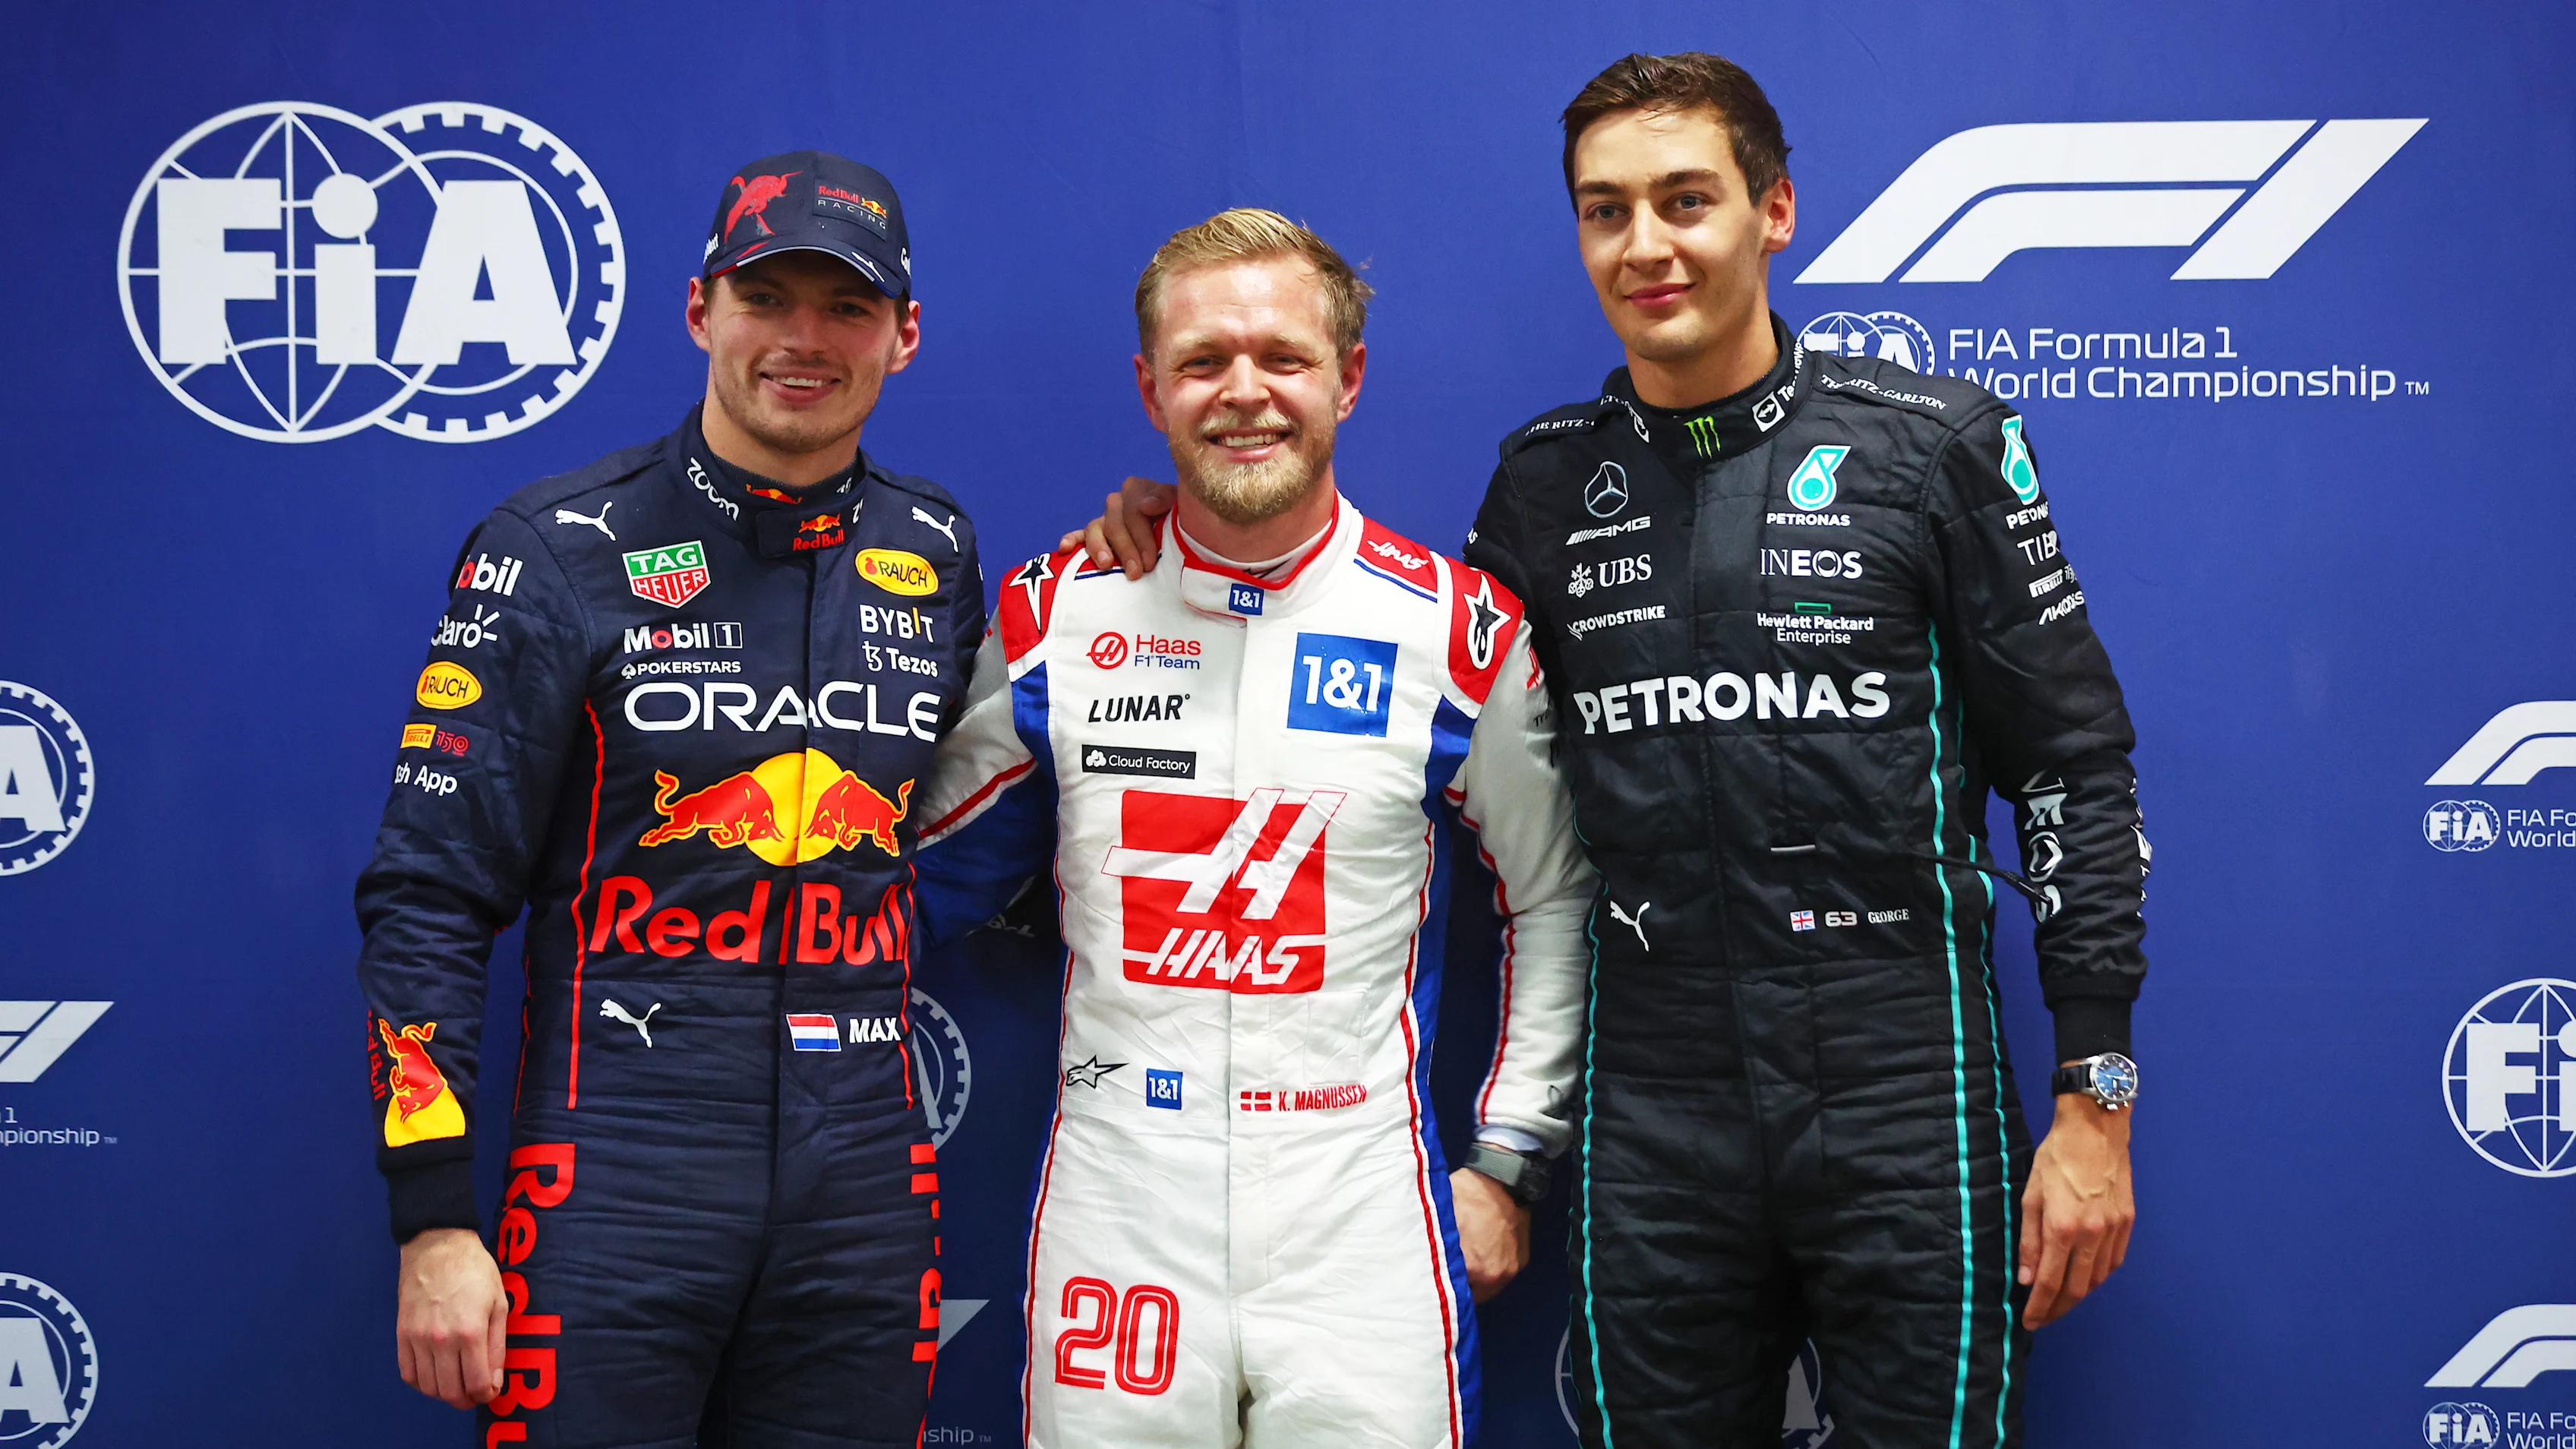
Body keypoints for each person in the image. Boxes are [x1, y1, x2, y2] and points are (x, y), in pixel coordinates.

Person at [1072, 53, 2149, 1449]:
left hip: (1902, 1088)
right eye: (1605, 210)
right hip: (1656, 1108)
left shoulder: (1934, 446)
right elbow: (1402, 703)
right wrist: (1190, 535)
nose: (1645, 245)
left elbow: (2076, 765)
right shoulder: (1541, 483)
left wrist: (2098, 1102)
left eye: (1684, 200)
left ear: (1774, 212)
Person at [911, 208, 1595, 1448]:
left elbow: (1553, 895)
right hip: (1123, 1192)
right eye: (1203, 361)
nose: (1245, 394)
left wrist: (1506, 1159)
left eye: (1282, 357)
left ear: (1349, 375)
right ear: (1150, 386)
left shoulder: (1455, 631)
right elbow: (906, 884)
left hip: (1364, 1204)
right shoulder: (1052, 611)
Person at [355, 150, 983, 1447]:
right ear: (701, 312)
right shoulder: (553, 548)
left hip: (865, 1185)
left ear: (903, 338)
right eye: (768, 298)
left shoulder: (937, 549)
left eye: (847, 306)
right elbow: (428, 895)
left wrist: (1147, 529)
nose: (804, 340)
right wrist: (430, 1216)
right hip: (616, 1172)